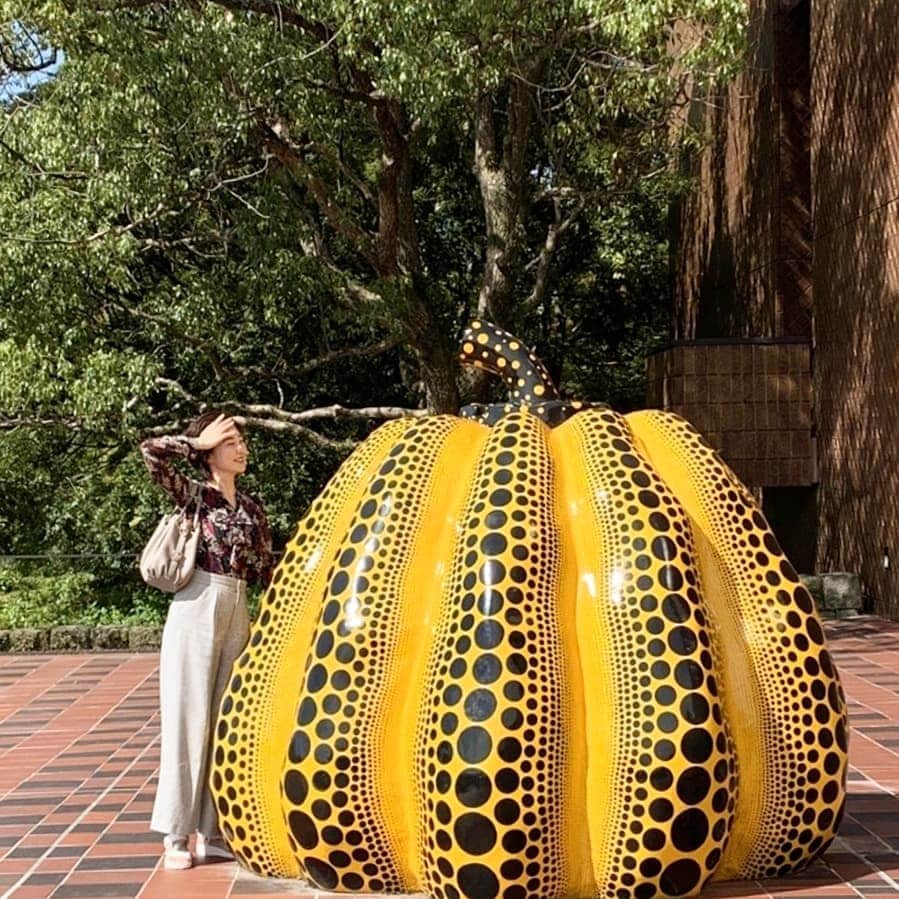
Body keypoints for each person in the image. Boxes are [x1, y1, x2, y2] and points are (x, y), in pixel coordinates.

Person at [139, 411, 274, 870]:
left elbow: (264, 569)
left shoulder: (252, 508)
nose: (241, 448)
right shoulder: (195, 496)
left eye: (241, 440)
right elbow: (151, 453)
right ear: (210, 450)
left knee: (226, 720)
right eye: (230, 440)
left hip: (238, 608)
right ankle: (176, 833)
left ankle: (214, 831)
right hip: (197, 602)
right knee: (187, 718)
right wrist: (195, 442)